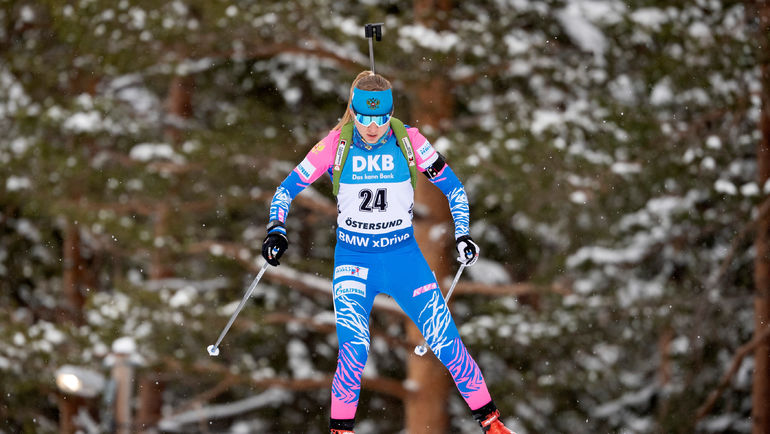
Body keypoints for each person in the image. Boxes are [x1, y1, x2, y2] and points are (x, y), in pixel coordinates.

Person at [262, 71, 514, 434]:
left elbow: (455, 189)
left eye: (380, 118)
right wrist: (276, 229)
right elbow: (285, 190)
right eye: (363, 117)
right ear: (353, 110)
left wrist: (462, 235)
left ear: (390, 113)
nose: (371, 127)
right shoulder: (335, 145)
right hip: (354, 259)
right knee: (354, 351)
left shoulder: (410, 141)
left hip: (403, 258)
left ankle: (491, 423)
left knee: (446, 341)